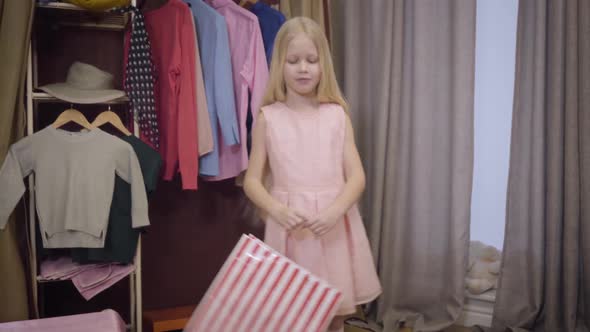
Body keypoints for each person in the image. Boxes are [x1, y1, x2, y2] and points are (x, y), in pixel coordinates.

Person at [244, 16, 382, 332]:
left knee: (335, 312)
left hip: (332, 227)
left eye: (311, 60)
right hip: (290, 230)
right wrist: (276, 209)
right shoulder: (268, 118)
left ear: (323, 65)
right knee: (293, 314)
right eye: (293, 61)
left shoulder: (337, 115)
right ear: (280, 64)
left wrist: (334, 212)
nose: (303, 68)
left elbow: (357, 177)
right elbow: (252, 180)